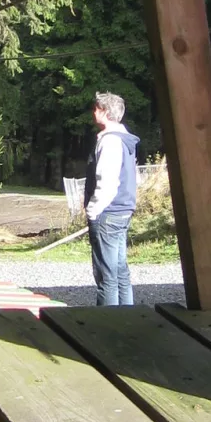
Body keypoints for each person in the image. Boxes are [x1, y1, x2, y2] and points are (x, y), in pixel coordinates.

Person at [84, 91, 139, 306]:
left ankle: (108, 324)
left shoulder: (110, 141)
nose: (93, 112)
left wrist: (93, 210)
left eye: (96, 108)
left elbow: (106, 179)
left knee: (106, 275)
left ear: (105, 112)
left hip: (107, 212)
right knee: (120, 272)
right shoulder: (125, 140)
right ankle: (128, 319)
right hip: (123, 210)